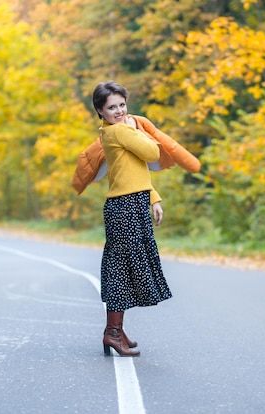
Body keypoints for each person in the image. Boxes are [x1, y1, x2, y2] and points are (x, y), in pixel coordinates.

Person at [91, 80, 173, 357]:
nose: (119, 111)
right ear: (100, 111)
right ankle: (112, 332)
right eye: (111, 107)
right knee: (120, 269)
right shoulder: (118, 132)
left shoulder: (120, 131)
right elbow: (153, 152)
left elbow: (133, 171)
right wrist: (136, 129)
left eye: (122, 105)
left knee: (122, 268)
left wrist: (153, 198)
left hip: (132, 202)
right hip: (124, 207)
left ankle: (117, 330)